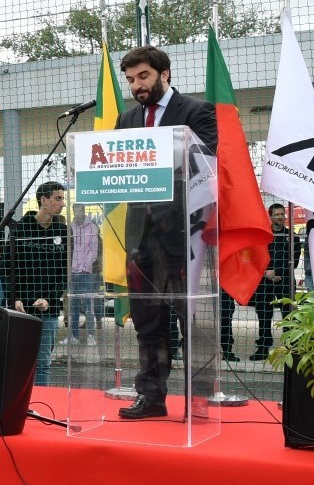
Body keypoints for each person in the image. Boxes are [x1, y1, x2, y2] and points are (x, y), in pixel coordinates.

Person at [113, 45, 218, 420]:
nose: (137, 86)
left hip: (183, 237)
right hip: (140, 241)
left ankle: (197, 400)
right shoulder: (125, 121)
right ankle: (152, 398)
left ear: (165, 73)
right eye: (130, 80)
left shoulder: (197, 111)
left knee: (191, 322)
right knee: (148, 323)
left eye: (143, 77)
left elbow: (206, 165)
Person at [10, 182, 69, 386]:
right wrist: (15, 298)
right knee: (19, 361)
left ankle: (39, 402)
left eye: (62, 198)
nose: (62, 203)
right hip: (20, 307)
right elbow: (8, 269)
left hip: (48, 308)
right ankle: (18, 404)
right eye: (58, 198)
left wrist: (50, 299)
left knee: (43, 362)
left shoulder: (63, 231)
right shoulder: (20, 229)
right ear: (43, 200)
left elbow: (64, 273)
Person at [248, 204, 300, 362]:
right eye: (277, 214)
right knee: (264, 315)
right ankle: (263, 347)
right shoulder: (263, 236)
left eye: (282, 214)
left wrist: (276, 272)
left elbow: (294, 262)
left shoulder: (292, 237)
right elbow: (255, 257)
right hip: (264, 282)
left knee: (289, 315)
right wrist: (267, 273)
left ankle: (290, 348)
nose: (280, 217)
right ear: (270, 216)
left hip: (284, 281)